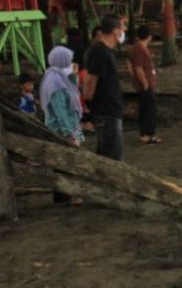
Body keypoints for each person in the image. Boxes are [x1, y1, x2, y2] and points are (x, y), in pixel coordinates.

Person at [40, 46, 84, 205]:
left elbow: (73, 91)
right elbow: (60, 111)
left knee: (67, 162)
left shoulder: (58, 77)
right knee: (65, 162)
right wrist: (69, 132)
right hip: (62, 128)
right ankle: (65, 196)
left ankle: (66, 195)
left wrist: (73, 75)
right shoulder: (55, 82)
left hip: (70, 125)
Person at [84, 14, 126, 161]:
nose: (125, 30)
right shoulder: (99, 51)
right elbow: (90, 80)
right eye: (123, 27)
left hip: (112, 107)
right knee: (112, 154)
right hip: (106, 110)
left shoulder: (108, 51)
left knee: (113, 151)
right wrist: (88, 103)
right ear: (116, 31)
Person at [128, 25, 162, 144]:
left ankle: (145, 133)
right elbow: (138, 68)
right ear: (149, 36)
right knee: (150, 109)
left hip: (145, 83)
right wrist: (145, 83)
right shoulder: (139, 49)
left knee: (145, 108)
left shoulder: (139, 48)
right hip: (145, 85)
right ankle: (148, 134)